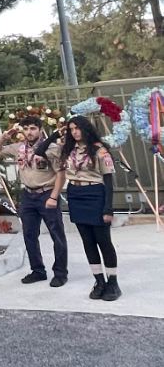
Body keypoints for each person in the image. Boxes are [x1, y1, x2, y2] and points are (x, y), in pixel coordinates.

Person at [38, 116, 121, 301]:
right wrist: (54, 135)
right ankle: (99, 281)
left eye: (78, 128)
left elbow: (108, 181)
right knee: (87, 242)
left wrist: (108, 209)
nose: (75, 132)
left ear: (86, 129)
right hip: (76, 195)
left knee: (103, 241)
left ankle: (113, 282)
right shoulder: (67, 149)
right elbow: (40, 150)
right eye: (71, 129)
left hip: (95, 194)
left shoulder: (99, 149)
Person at [0, 116, 68, 287]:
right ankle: (38, 271)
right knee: (29, 235)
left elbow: (61, 175)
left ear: (40, 129)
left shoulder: (52, 148)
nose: (29, 132)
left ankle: (61, 273)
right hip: (28, 195)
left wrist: (54, 197)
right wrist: (5, 136)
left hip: (46, 193)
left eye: (33, 128)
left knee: (57, 235)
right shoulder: (19, 148)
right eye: (25, 129)